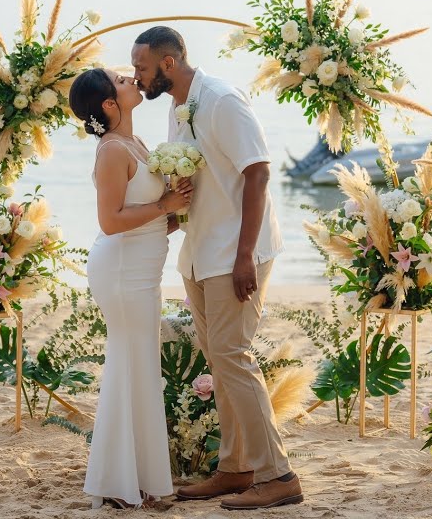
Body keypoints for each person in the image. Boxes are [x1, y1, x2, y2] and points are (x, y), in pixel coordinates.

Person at [130, 26, 303, 510]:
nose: (136, 76)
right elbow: (199, 178)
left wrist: (245, 254)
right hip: (201, 250)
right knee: (220, 362)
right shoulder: (176, 105)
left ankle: (279, 475)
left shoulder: (223, 100)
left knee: (233, 356)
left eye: (141, 68)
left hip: (234, 254)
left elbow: (258, 171)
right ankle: (235, 468)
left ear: (168, 64)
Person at [69, 67, 190, 510]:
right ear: (108, 105)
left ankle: (134, 479)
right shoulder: (112, 152)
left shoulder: (136, 144)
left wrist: (177, 215)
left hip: (142, 270)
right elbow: (110, 221)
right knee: (129, 364)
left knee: (139, 366)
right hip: (121, 272)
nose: (130, 79)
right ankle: (120, 483)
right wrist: (164, 205)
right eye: (120, 80)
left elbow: (150, 217)